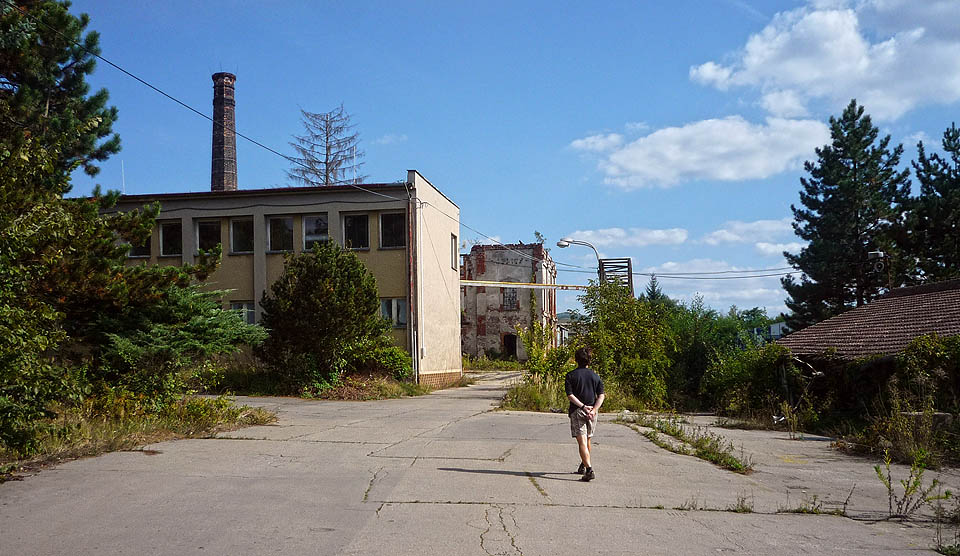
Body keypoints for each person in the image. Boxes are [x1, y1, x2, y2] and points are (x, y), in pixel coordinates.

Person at [565, 347, 604, 482]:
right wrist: (593, 410)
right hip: (592, 412)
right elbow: (601, 396)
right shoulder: (595, 376)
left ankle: (589, 470)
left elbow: (570, 395)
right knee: (587, 440)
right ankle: (583, 463)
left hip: (578, 411)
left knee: (581, 441)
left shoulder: (571, 375)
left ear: (576, 360)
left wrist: (582, 406)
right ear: (589, 360)